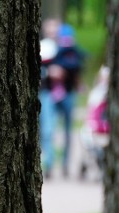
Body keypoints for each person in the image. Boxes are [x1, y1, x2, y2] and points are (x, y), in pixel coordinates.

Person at [39, 24, 86, 179]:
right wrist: (49, 72)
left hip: (68, 93)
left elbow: (79, 68)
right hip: (48, 93)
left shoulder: (71, 50)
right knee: (48, 130)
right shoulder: (45, 48)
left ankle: (65, 165)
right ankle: (50, 165)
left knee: (67, 131)